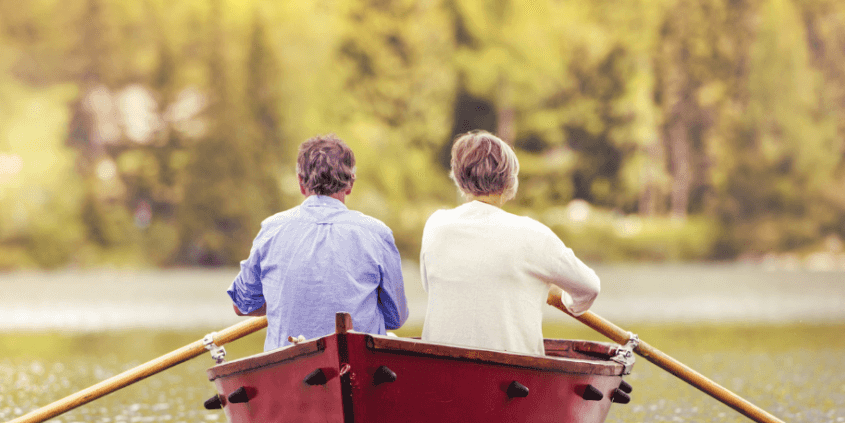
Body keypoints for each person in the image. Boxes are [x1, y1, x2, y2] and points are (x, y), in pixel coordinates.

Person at [419, 131, 601, 356]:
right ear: (510, 181)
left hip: (441, 369)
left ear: (458, 178)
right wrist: (558, 295)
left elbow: (432, 286)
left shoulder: (436, 225)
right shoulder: (533, 234)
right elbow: (590, 287)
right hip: (512, 377)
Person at [228, 134, 409, 351]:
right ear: (350, 184)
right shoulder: (378, 233)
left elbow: (242, 305)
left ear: (301, 182)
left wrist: (289, 304)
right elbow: (395, 317)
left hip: (289, 363)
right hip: (359, 356)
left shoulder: (272, 229)